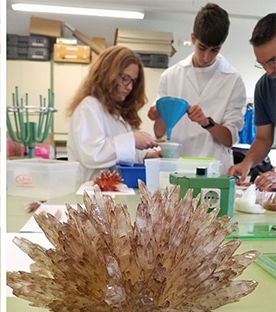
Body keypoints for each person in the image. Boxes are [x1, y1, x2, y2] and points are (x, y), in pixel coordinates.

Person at [148, 3, 245, 174]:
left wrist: (206, 122)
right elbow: (159, 133)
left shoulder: (233, 80)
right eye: (202, 48)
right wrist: (159, 114)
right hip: (177, 170)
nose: (207, 56)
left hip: (214, 171)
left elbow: (229, 139)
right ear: (193, 38)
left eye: (214, 50)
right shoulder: (170, 76)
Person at [67, 45, 159, 182]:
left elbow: (120, 157)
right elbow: (92, 155)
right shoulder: (89, 107)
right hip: (90, 192)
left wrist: (146, 156)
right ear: (107, 74)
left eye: (133, 81)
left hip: (111, 191)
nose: (130, 87)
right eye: (125, 78)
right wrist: (132, 139)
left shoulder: (117, 112)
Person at [228, 13, 276, 192]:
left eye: (273, 61)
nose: (269, 71)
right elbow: (263, 138)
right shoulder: (264, 87)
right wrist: (247, 162)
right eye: (262, 64)